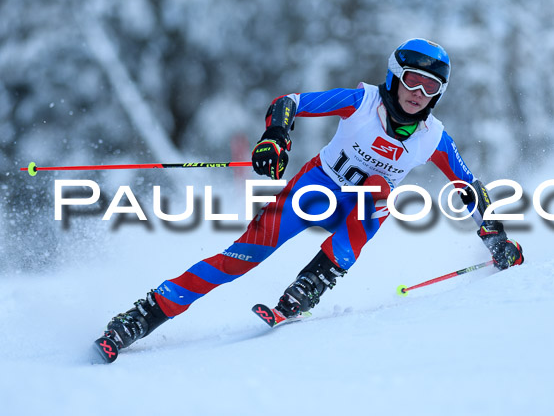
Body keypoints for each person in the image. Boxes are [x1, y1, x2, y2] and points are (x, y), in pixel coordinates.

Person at [101, 38, 524, 350]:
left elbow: (468, 188)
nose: (418, 94)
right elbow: (290, 102)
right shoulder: (362, 101)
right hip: (315, 188)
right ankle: (145, 314)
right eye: (413, 80)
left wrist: (496, 237)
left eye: (430, 88)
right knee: (240, 258)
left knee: (379, 193)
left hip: (361, 209)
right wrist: (276, 136)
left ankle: (309, 285)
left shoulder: (433, 137)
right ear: (396, 76)